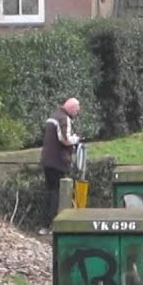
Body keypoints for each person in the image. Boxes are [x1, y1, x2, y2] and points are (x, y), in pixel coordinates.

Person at [40, 97, 81, 231]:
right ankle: (55, 224)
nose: (76, 113)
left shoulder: (53, 116)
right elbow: (65, 139)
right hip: (58, 162)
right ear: (71, 108)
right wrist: (76, 139)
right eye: (76, 110)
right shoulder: (64, 118)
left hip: (47, 160)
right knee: (58, 193)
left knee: (49, 192)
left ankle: (45, 225)